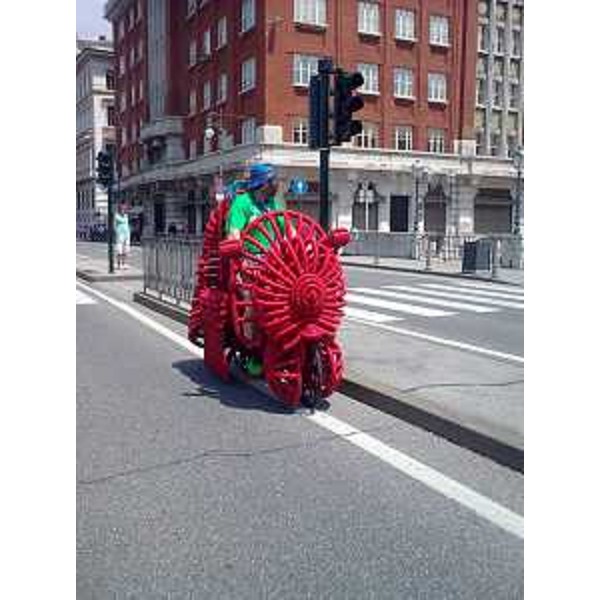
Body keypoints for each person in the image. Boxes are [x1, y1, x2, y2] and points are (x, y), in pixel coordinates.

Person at [225, 163, 286, 377]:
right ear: (262, 183)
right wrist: (236, 249)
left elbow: (289, 229)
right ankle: (253, 350)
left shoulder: (274, 204)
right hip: (248, 263)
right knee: (253, 303)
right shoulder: (242, 203)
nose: (277, 184)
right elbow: (234, 234)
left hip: (274, 263)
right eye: (273, 180)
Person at [114, 203, 131, 270]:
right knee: (119, 250)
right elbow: (115, 225)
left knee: (126, 250)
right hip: (120, 234)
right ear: (119, 209)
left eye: (124, 209)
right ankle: (119, 264)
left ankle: (124, 264)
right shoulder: (117, 216)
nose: (123, 210)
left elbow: (127, 224)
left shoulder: (126, 216)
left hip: (127, 234)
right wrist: (116, 232)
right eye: (122, 209)